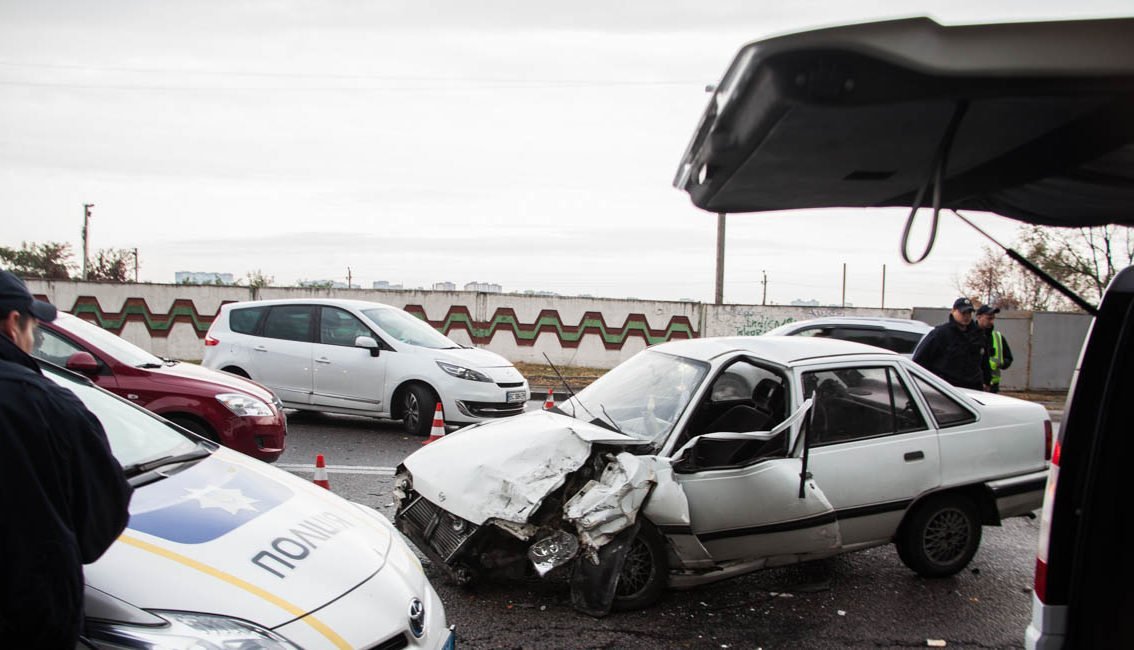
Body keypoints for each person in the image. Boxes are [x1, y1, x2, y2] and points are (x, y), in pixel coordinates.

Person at [0, 270, 133, 648]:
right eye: (34, 329)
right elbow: (98, 527)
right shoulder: (44, 404)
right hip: (26, 620)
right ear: (13, 324)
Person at [912, 297, 990, 390]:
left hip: (973, 389)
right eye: (963, 312)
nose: (966, 316)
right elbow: (920, 361)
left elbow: (984, 362)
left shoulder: (978, 335)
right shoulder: (941, 334)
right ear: (953, 311)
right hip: (948, 390)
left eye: (969, 313)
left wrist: (986, 381)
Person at [976, 304, 1013, 393]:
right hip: (974, 386)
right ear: (979, 317)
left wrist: (1002, 364)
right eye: (989, 318)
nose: (992, 322)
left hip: (992, 387)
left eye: (993, 319)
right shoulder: (970, 335)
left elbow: (1009, 358)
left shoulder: (998, 337)